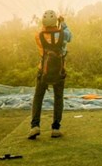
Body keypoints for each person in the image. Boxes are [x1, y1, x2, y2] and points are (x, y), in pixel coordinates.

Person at [29, 9, 72, 139]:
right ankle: (55, 128)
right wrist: (62, 23)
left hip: (43, 71)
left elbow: (44, 35)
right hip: (59, 71)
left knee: (38, 98)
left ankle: (35, 126)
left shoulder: (38, 35)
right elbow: (70, 36)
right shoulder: (63, 34)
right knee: (58, 98)